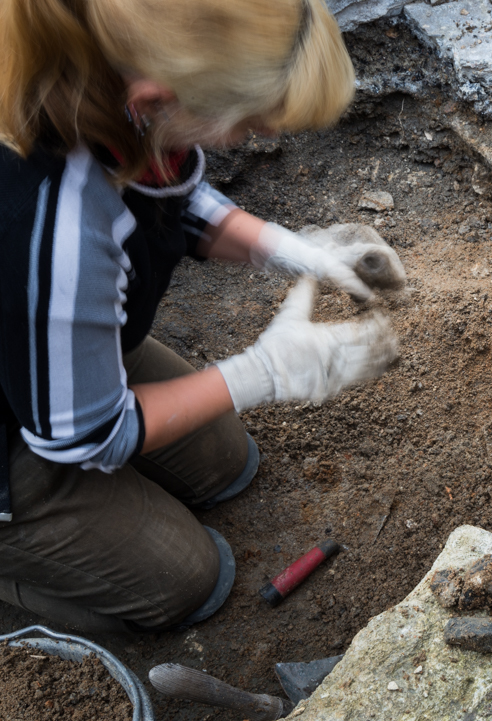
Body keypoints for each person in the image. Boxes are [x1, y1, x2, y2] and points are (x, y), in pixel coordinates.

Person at [0, 0, 403, 633]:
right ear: (158, 96)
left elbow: (163, 189)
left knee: (226, 463)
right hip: (15, 427)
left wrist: (289, 249)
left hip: (40, 328)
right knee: (188, 580)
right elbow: (83, 435)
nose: (267, 135)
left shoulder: (110, 60)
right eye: (253, 122)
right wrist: (260, 374)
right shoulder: (50, 212)